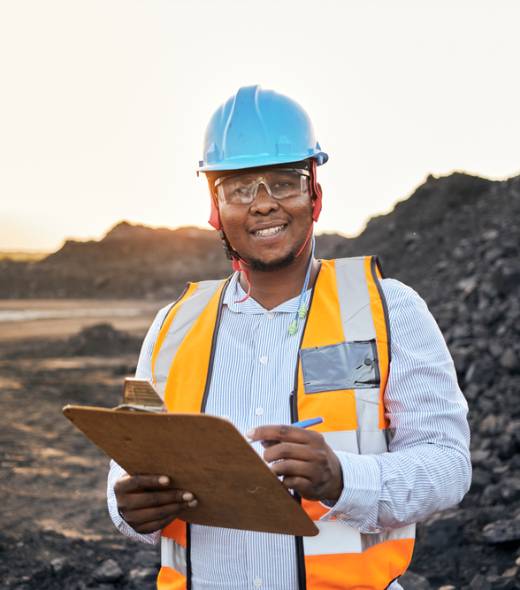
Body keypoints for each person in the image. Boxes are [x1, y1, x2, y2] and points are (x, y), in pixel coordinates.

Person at [107, 85, 471, 590]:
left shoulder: (389, 310)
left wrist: (344, 479)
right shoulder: (172, 326)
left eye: (283, 182)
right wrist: (126, 507)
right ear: (215, 207)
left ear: (314, 195)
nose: (262, 205)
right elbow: (129, 459)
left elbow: (448, 464)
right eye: (239, 188)